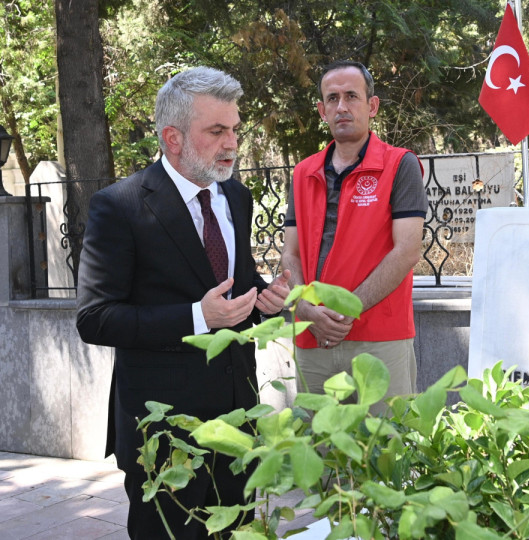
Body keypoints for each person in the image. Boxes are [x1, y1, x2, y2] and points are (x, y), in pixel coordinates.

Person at [76, 66, 291, 539]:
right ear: (172, 137)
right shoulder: (120, 205)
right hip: (165, 431)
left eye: (234, 129)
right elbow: (94, 319)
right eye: (216, 131)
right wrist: (198, 316)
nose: (232, 143)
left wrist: (265, 299)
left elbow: (235, 283)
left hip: (238, 420)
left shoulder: (236, 196)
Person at [281, 60, 427, 410]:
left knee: (387, 440)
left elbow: (407, 251)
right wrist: (305, 310)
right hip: (314, 337)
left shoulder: (400, 164)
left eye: (351, 96)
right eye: (332, 99)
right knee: (319, 441)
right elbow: (290, 254)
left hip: (380, 338)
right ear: (322, 111)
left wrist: (348, 311)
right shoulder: (303, 173)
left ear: (372, 106)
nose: (342, 107)